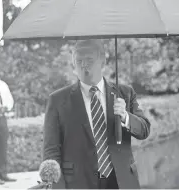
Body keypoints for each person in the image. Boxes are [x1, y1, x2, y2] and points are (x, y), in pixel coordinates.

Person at [42, 39, 150, 189]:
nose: (84, 65)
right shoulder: (58, 100)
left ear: (103, 62)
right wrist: (58, 186)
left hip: (121, 181)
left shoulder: (125, 93)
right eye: (79, 61)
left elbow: (144, 130)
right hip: (78, 183)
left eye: (89, 60)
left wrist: (125, 116)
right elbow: (51, 150)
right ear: (74, 64)